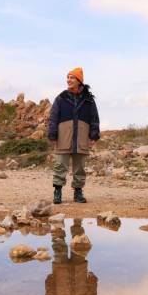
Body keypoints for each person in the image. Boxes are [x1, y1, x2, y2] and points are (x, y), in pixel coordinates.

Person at [47, 67, 100, 204]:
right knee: (60, 165)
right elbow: (53, 118)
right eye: (68, 77)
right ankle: (57, 192)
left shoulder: (89, 100)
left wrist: (93, 135)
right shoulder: (61, 98)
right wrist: (52, 135)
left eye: (72, 78)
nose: (68, 80)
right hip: (63, 136)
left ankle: (78, 193)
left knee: (80, 168)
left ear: (79, 81)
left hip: (81, 137)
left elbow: (94, 118)